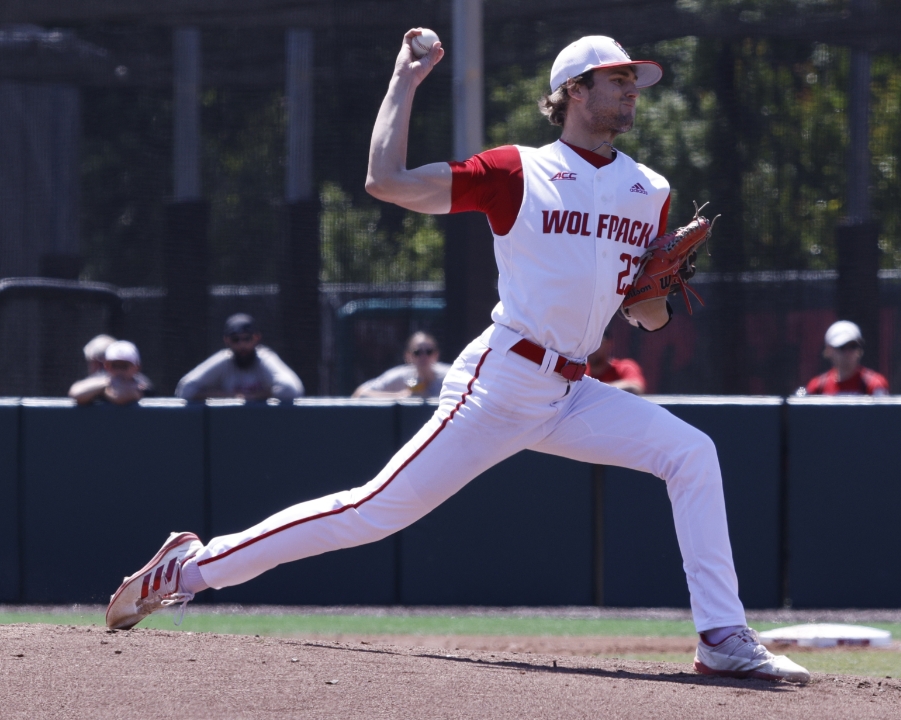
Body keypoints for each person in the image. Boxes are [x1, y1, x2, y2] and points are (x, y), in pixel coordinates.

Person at [106, 32, 809, 684]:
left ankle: (721, 636)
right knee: (371, 512)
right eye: (616, 78)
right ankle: (189, 569)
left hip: (573, 391)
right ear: (572, 91)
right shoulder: (518, 170)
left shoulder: (649, 190)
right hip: (499, 384)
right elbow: (387, 181)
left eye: (635, 80)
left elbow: (644, 314)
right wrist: (404, 82)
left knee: (692, 453)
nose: (631, 91)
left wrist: (660, 287)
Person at [174, 314, 304, 401]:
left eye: (247, 338)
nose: (242, 345)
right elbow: (184, 389)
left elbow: (290, 389)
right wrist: (230, 396)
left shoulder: (265, 359)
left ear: (256, 338)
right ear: (227, 341)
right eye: (236, 339)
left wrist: (254, 396)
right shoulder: (224, 360)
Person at [797, 320, 889, 396]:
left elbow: (883, 415)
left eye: (853, 346)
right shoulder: (817, 385)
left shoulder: (874, 383)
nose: (848, 352)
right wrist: (799, 393)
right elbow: (801, 395)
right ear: (828, 351)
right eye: (842, 347)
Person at [352, 331, 451, 399]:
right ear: (408, 356)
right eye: (417, 352)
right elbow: (359, 394)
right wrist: (400, 397)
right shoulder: (400, 376)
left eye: (429, 352)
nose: (423, 356)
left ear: (436, 355)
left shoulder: (450, 377)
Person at [68, 340, 150, 405]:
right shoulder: (103, 380)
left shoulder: (142, 385)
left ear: (136, 367)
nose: (119, 370)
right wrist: (107, 384)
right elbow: (76, 393)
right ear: (106, 366)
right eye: (114, 365)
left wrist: (103, 391)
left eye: (124, 366)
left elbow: (120, 397)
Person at [585, 328, 646, 394]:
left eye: (596, 342)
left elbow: (636, 387)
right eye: (587, 342)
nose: (591, 347)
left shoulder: (624, 367)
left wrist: (595, 391)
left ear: (608, 344)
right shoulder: (579, 372)